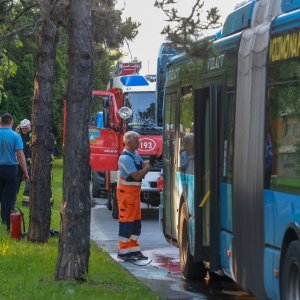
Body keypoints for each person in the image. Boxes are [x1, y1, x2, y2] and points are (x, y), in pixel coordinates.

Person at [116, 131, 157, 261]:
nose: (139, 142)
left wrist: (152, 160)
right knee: (127, 222)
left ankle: (133, 250)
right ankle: (123, 252)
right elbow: (137, 175)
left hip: (133, 195)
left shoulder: (134, 154)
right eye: (136, 140)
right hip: (126, 195)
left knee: (136, 223)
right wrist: (150, 166)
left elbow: (140, 165)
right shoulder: (125, 158)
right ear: (128, 142)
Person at [0, 113, 29, 231]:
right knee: (10, 197)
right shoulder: (16, 136)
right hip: (11, 170)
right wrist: (25, 172)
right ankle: (9, 225)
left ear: (1, 122)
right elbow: (20, 155)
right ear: (11, 123)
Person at [15, 119, 32, 204]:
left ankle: (26, 202)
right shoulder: (19, 136)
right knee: (16, 181)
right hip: (19, 163)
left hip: (29, 164)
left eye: (26, 128)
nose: (24, 130)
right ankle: (13, 198)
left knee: (28, 182)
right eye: (23, 128)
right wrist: (17, 132)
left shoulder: (32, 136)